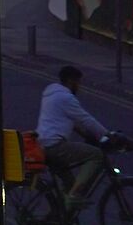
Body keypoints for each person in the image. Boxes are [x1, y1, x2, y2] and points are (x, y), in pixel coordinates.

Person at [36, 63, 109, 204]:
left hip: (43, 145)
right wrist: (107, 134)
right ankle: (75, 195)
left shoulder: (50, 94)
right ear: (71, 81)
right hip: (55, 146)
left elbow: (66, 120)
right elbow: (86, 119)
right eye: (78, 82)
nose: (79, 86)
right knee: (97, 155)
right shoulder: (66, 98)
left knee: (69, 183)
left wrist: (85, 135)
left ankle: (59, 216)